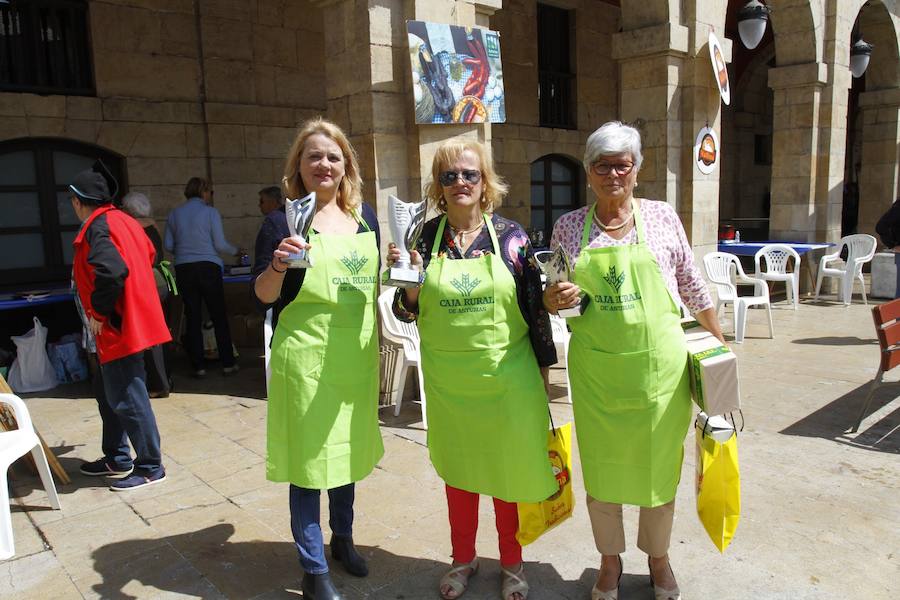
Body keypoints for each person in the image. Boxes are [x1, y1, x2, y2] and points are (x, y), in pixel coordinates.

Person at [544, 121, 725, 600]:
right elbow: (555, 295)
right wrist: (554, 298)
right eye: (602, 165)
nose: (612, 173)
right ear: (588, 172)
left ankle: (659, 559)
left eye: (622, 164)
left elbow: (691, 282)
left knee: (659, 468)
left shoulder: (663, 217)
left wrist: (718, 346)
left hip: (659, 373)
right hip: (598, 374)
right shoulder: (568, 226)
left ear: (638, 170)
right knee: (602, 471)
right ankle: (608, 562)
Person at [387, 140, 557, 600]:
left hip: (508, 381)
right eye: (448, 177)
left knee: (509, 475)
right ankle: (463, 559)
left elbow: (533, 310)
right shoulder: (422, 238)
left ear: (486, 182)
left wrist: (544, 374)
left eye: (469, 174)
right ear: (437, 188)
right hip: (451, 385)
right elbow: (405, 314)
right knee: (460, 476)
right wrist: (410, 281)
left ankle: (512, 563)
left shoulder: (511, 236)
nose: (459, 183)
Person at [254, 118, 382, 600]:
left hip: (355, 356)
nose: (323, 164)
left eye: (332, 156)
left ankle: (342, 539)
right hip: (305, 359)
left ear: (345, 164)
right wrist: (278, 263)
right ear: (299, 167)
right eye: (314, 157)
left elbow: (372, 283)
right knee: (310, 464)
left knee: (345, 455)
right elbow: (264, 296)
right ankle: (313, 568)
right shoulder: (278, 222)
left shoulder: (364, 216)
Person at [69, 169, 170, 491]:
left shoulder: (99, 225)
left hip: (118, 325)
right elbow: (149, 254)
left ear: (77, 201)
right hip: (132, 320)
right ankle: (116, 456)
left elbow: (111, 271)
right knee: (109, 393)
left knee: (128, 396)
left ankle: (150, 466)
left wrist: (99, 312)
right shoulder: (125, 220)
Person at [164, 177, 242, 377]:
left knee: (193, 317)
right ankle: (227, 363)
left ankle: (198, 366)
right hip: (208, 267)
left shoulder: (174, 214)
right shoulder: (210, 212)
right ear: (204, 191)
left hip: (184, 268)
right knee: (218, 316)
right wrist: (237, 252)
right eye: (210, 192)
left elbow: (169, 245)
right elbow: (219, 244)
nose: (210, 196)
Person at [121, 191, 172, 398]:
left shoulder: (132, 227)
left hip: (147, 283)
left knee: (151, 335)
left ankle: (158, 384)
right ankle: (165, 379)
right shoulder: (153, 225)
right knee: (160, 332)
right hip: (161, 282)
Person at [252, 186, 293, 328]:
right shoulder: (273, 222)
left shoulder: (277, 221)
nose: (259, 205)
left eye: (262, 201)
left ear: (271, 201)